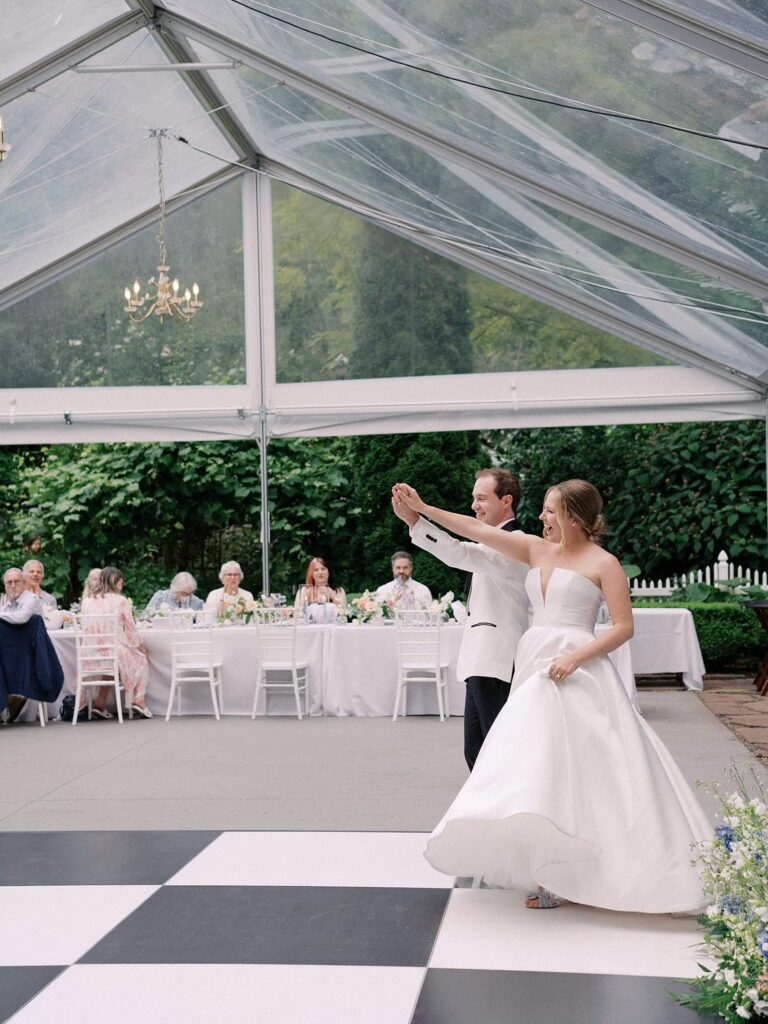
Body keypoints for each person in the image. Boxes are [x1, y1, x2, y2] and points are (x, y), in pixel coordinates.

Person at [393, 479, 711, 915]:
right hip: (534, 666)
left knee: (589, 768)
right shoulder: (534, 550)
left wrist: (576, 658)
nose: (540, 517)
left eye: (549, 511)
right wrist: (424, 508)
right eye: (542, 510)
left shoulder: (605, 563)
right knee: (535, 765)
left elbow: (623, 627)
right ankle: (547, 870)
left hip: (578, 671)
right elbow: (475, 531)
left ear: (574, 518)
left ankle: (598, 868)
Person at [392, 468, 529, 770]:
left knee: (498, 747)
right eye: (473, 498)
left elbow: (459, 553)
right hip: (480, 660)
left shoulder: (516, 541)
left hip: (498, 661)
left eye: (481, 498)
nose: (474, 506)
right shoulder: (493, 544)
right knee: (476, 750)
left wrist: (418, 518)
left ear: (506, 501)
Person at [81, 565, 151, 720]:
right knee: (141, 659)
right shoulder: (120, 601)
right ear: (115, 581)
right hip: (113, 651)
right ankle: (139, 700)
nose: (122, 585)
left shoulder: (87, 601)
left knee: (112, 661)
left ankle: (100, 703)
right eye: (121, 582)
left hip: (89, 653)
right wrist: (141, 647)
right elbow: (131, 630)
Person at [0, 567, 44, 721]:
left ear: (24, 584)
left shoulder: (30, 599)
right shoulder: (7, 604)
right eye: (9, 582)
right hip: (12, 655)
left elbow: (21, 618)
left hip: (29, 656)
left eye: (16, 582)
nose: (12, 585)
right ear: (5, 586)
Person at [294, 557, 346, 623]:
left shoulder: (339, 591)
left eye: (323, 569)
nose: (320, 572)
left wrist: (333, 596)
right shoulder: (303, 591)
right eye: (315, 570)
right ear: (311, 574)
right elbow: (295, 616)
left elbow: (344, 614)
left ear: (328, 571)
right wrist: (304, 600)